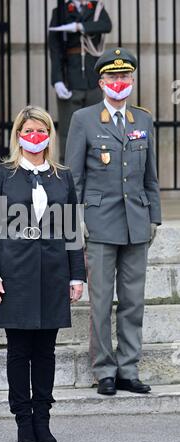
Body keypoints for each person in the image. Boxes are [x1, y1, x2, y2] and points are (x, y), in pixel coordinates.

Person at [0, 106, 86, 442]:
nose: (35, 137)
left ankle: (43, 417)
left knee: (46, 352)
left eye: (41, 131)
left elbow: (73, 230)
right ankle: (23, 419)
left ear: (50, 136)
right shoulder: (3, 174)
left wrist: (76, 275)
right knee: (18, 350)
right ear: (18, 136)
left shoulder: (62, 176)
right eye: (29, 131)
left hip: (53, 272)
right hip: (15, 272)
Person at [65, 47, 162, 396]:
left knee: (134, 301)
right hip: (100, 224)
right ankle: (104, 369)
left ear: (132, 80)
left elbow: (151, 176)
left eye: (125, 77)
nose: (119, 83)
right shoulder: (84, 120)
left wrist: (154, 217)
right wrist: (75, 220)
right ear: (101, 81)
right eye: (113, 77)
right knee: (102, 302)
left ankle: (128, 368)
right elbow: (73, 177)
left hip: (136, 223)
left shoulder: (143, 120)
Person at [49, 0, 112, 163]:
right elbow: (55, 48)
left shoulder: (96, 8)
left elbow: (106, 25)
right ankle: (67, 173)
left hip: (93, 79)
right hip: (70, 79)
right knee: (68, 132)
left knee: (97, 131)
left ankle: (96, 172)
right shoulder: (60, 12)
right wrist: (57, 80)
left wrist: (80, 27)